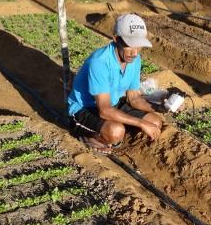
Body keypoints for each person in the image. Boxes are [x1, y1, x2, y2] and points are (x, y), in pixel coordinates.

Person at [67, 13, 162, 154]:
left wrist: (159, 107)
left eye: (138, 46)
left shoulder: (135, 59)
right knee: (116, 131)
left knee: (155, 122)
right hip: (86, 109)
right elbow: (104, 110)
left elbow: (134, 98)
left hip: (113, 103)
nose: (134, 52)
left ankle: (117, 132)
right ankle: (91, 137)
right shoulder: (100, 62)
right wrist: (141, 123)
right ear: (116, 39)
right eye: (129, 45)